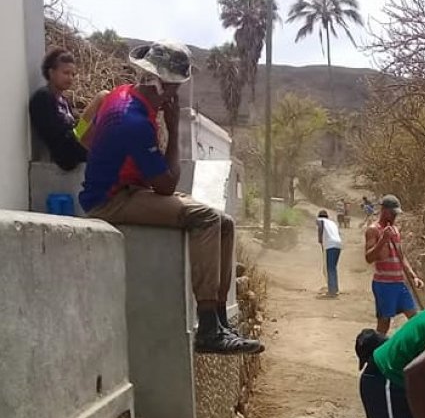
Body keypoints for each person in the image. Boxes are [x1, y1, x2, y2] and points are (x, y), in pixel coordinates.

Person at [79, 40, 263, 355]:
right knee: (206, 218)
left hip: (125, 189)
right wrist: (174, 129)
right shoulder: (135, 121)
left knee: (226, 222)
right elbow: (166, 184)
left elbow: (83, 137)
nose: (175, 94)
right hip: (110, 201)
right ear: (163, 85)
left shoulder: (117, 96)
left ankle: (219, 320)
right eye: (174, 87)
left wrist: (115, 162)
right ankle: (208, 329)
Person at [29, 47, 109, 171]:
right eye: (66, 73)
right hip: (67, 152)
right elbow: (56, 136)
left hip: (76, 142)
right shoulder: (43, 97)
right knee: (103, 96)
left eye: (73, 74)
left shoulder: (63, 100)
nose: (70, 78)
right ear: (51, 73)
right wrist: (83, 129)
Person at [365, 195, 424, 334]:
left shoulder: (395, 230)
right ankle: (375, 352)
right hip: (383, 285)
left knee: (415, 318)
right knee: (384, 324)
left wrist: (413, 276)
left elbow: (401, 257)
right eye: (393, 213)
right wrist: (383, 240)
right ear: (384, 211)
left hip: (399, 283)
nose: (395, 217)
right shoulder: (373, 230)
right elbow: (368, 258)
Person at [316, 210, 342, 297]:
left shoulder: (320, 220)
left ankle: (332, 290)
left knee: (329, 268)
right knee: (332, 268)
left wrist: (320, 239)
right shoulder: (332, 223)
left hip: (329, 245)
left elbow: (320, 227)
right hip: (338, 244)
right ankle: (334, 288)